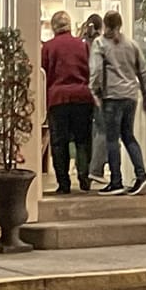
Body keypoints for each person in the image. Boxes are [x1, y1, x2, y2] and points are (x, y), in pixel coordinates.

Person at [89, 10, 146, 194]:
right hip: (131, 96)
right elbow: (143, 70)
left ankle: (116, 181)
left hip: (112, 97)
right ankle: (142, 175)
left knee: (112, 139)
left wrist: (95, 91)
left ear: (105, 25)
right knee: (128, 136)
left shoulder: (100, 44)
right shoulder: (131, 44)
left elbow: (97, 70)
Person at [40, 11, 96, 195]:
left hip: (58, 98)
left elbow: (43, 74)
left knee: (59, 142)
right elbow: (91, 70)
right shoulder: (83, 46)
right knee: (83, 139)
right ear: (69, 25)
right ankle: (83, 177)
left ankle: (63, 183)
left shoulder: (48, 47)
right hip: (82, 97)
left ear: (54, 27)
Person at [80, 14, 109, 184]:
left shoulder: (82, 43)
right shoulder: (101, 44)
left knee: (90, 133)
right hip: (99, 90)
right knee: (102, 130)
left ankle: (86, 170)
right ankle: (95, 169)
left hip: (83, 92)